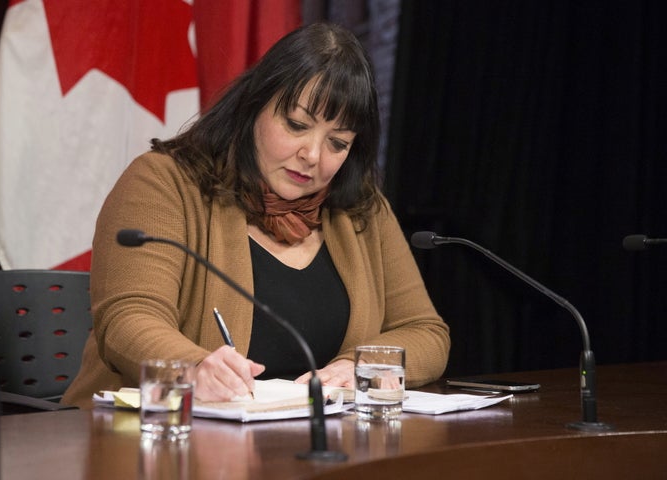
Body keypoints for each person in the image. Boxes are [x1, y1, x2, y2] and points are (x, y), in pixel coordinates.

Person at [61, 22, 450, 409]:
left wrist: (361, 365)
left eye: (338, 142)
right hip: (151, 440)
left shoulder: (360, 208)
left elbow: (427, 333)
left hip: (313, 446)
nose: (313, 155)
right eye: (297, 125)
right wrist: (195, 368)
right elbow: (129, 318)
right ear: (254, 106)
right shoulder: (164, 182)